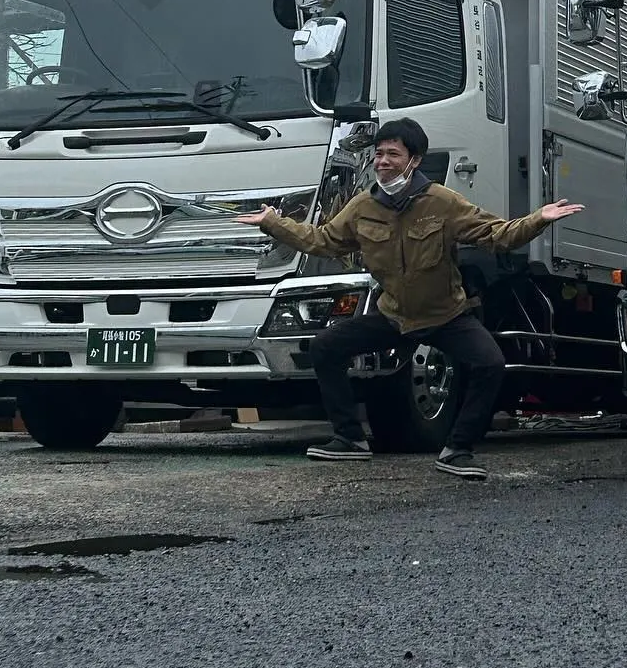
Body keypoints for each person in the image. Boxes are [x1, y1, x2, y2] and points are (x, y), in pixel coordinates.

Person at [238, 117, 582, 478]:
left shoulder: (442, 202)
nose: (382, 162)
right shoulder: (362, 207)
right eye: (379, 154)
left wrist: (539, 218)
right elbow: (322, 240)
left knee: (490, 364)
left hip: (446, 315)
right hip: (395, 316)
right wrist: (272, 222)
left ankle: (457, 450)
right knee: (326, 346)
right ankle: (349, 439)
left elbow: (496, 234)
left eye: (393, 154)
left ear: (414, 160)